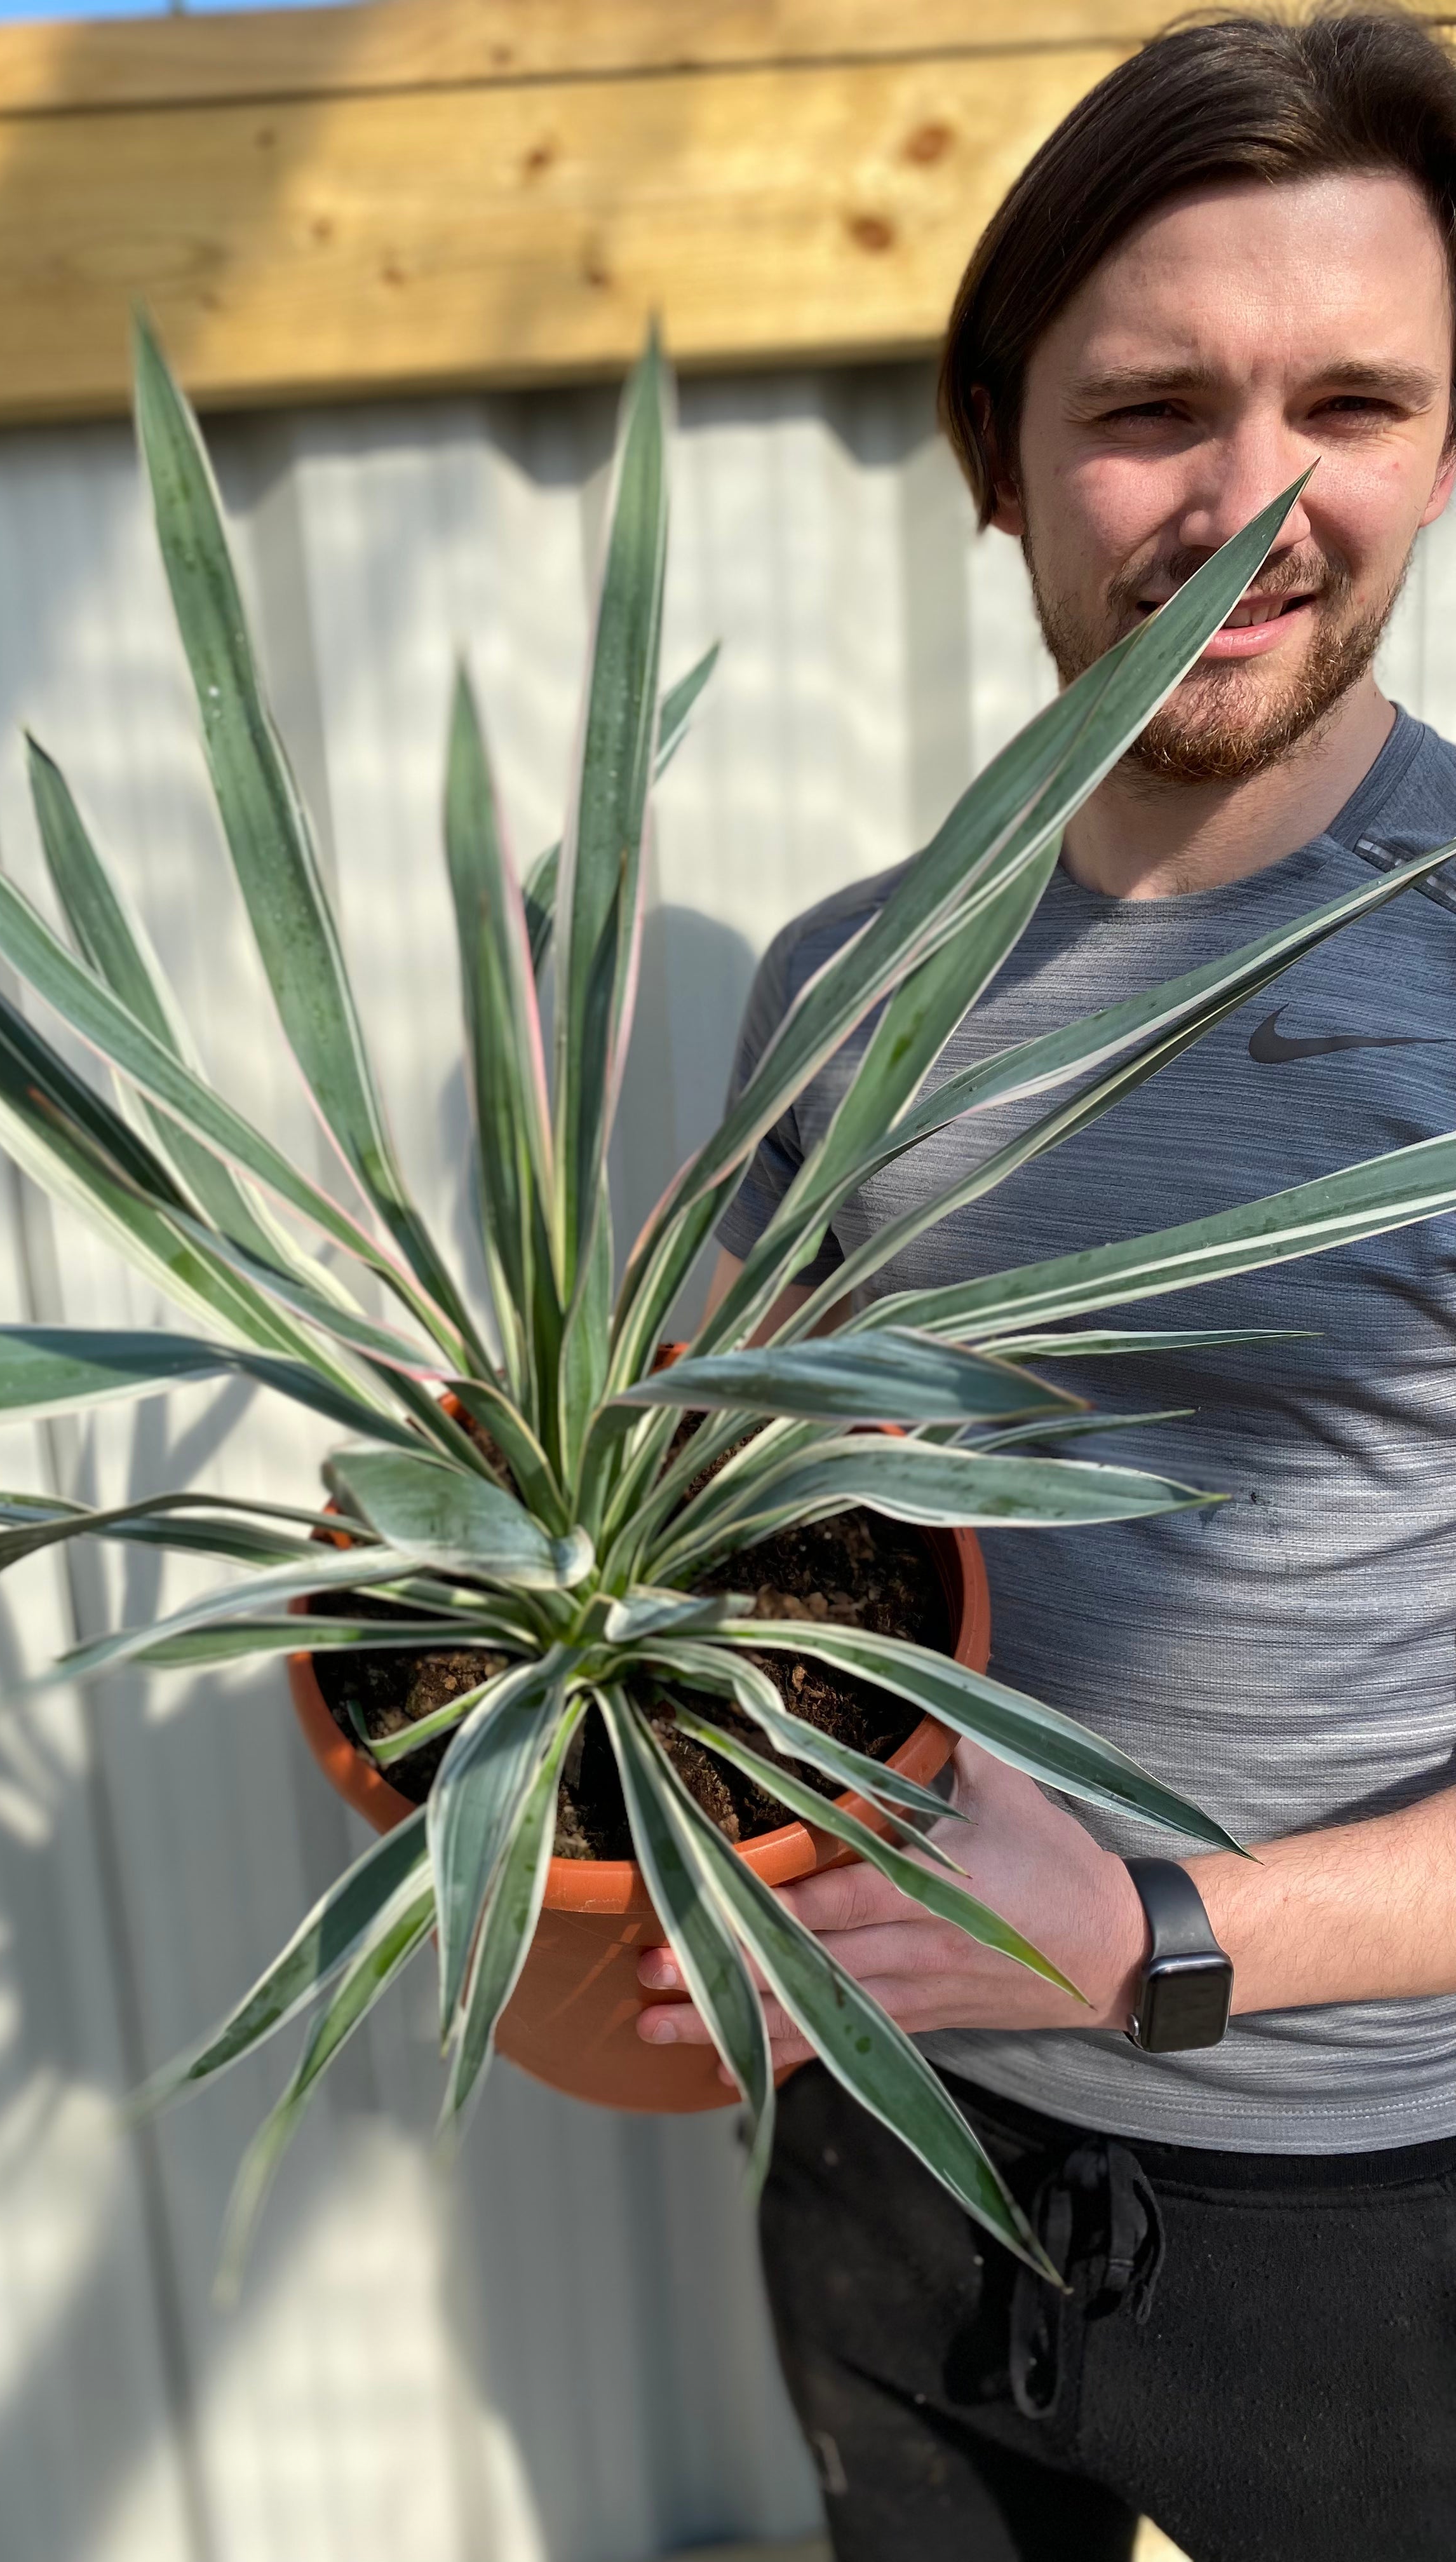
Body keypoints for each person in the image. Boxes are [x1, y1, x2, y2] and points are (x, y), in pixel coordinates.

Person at [630, 13, 1456, 2559]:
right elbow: (709, 1499)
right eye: (1151, 409)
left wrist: (1149, 1940)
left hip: (1375, 2210)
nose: (1252, 502)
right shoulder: (844, 985)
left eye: (1353, 401)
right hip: (897, 2133)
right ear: (998, 462)